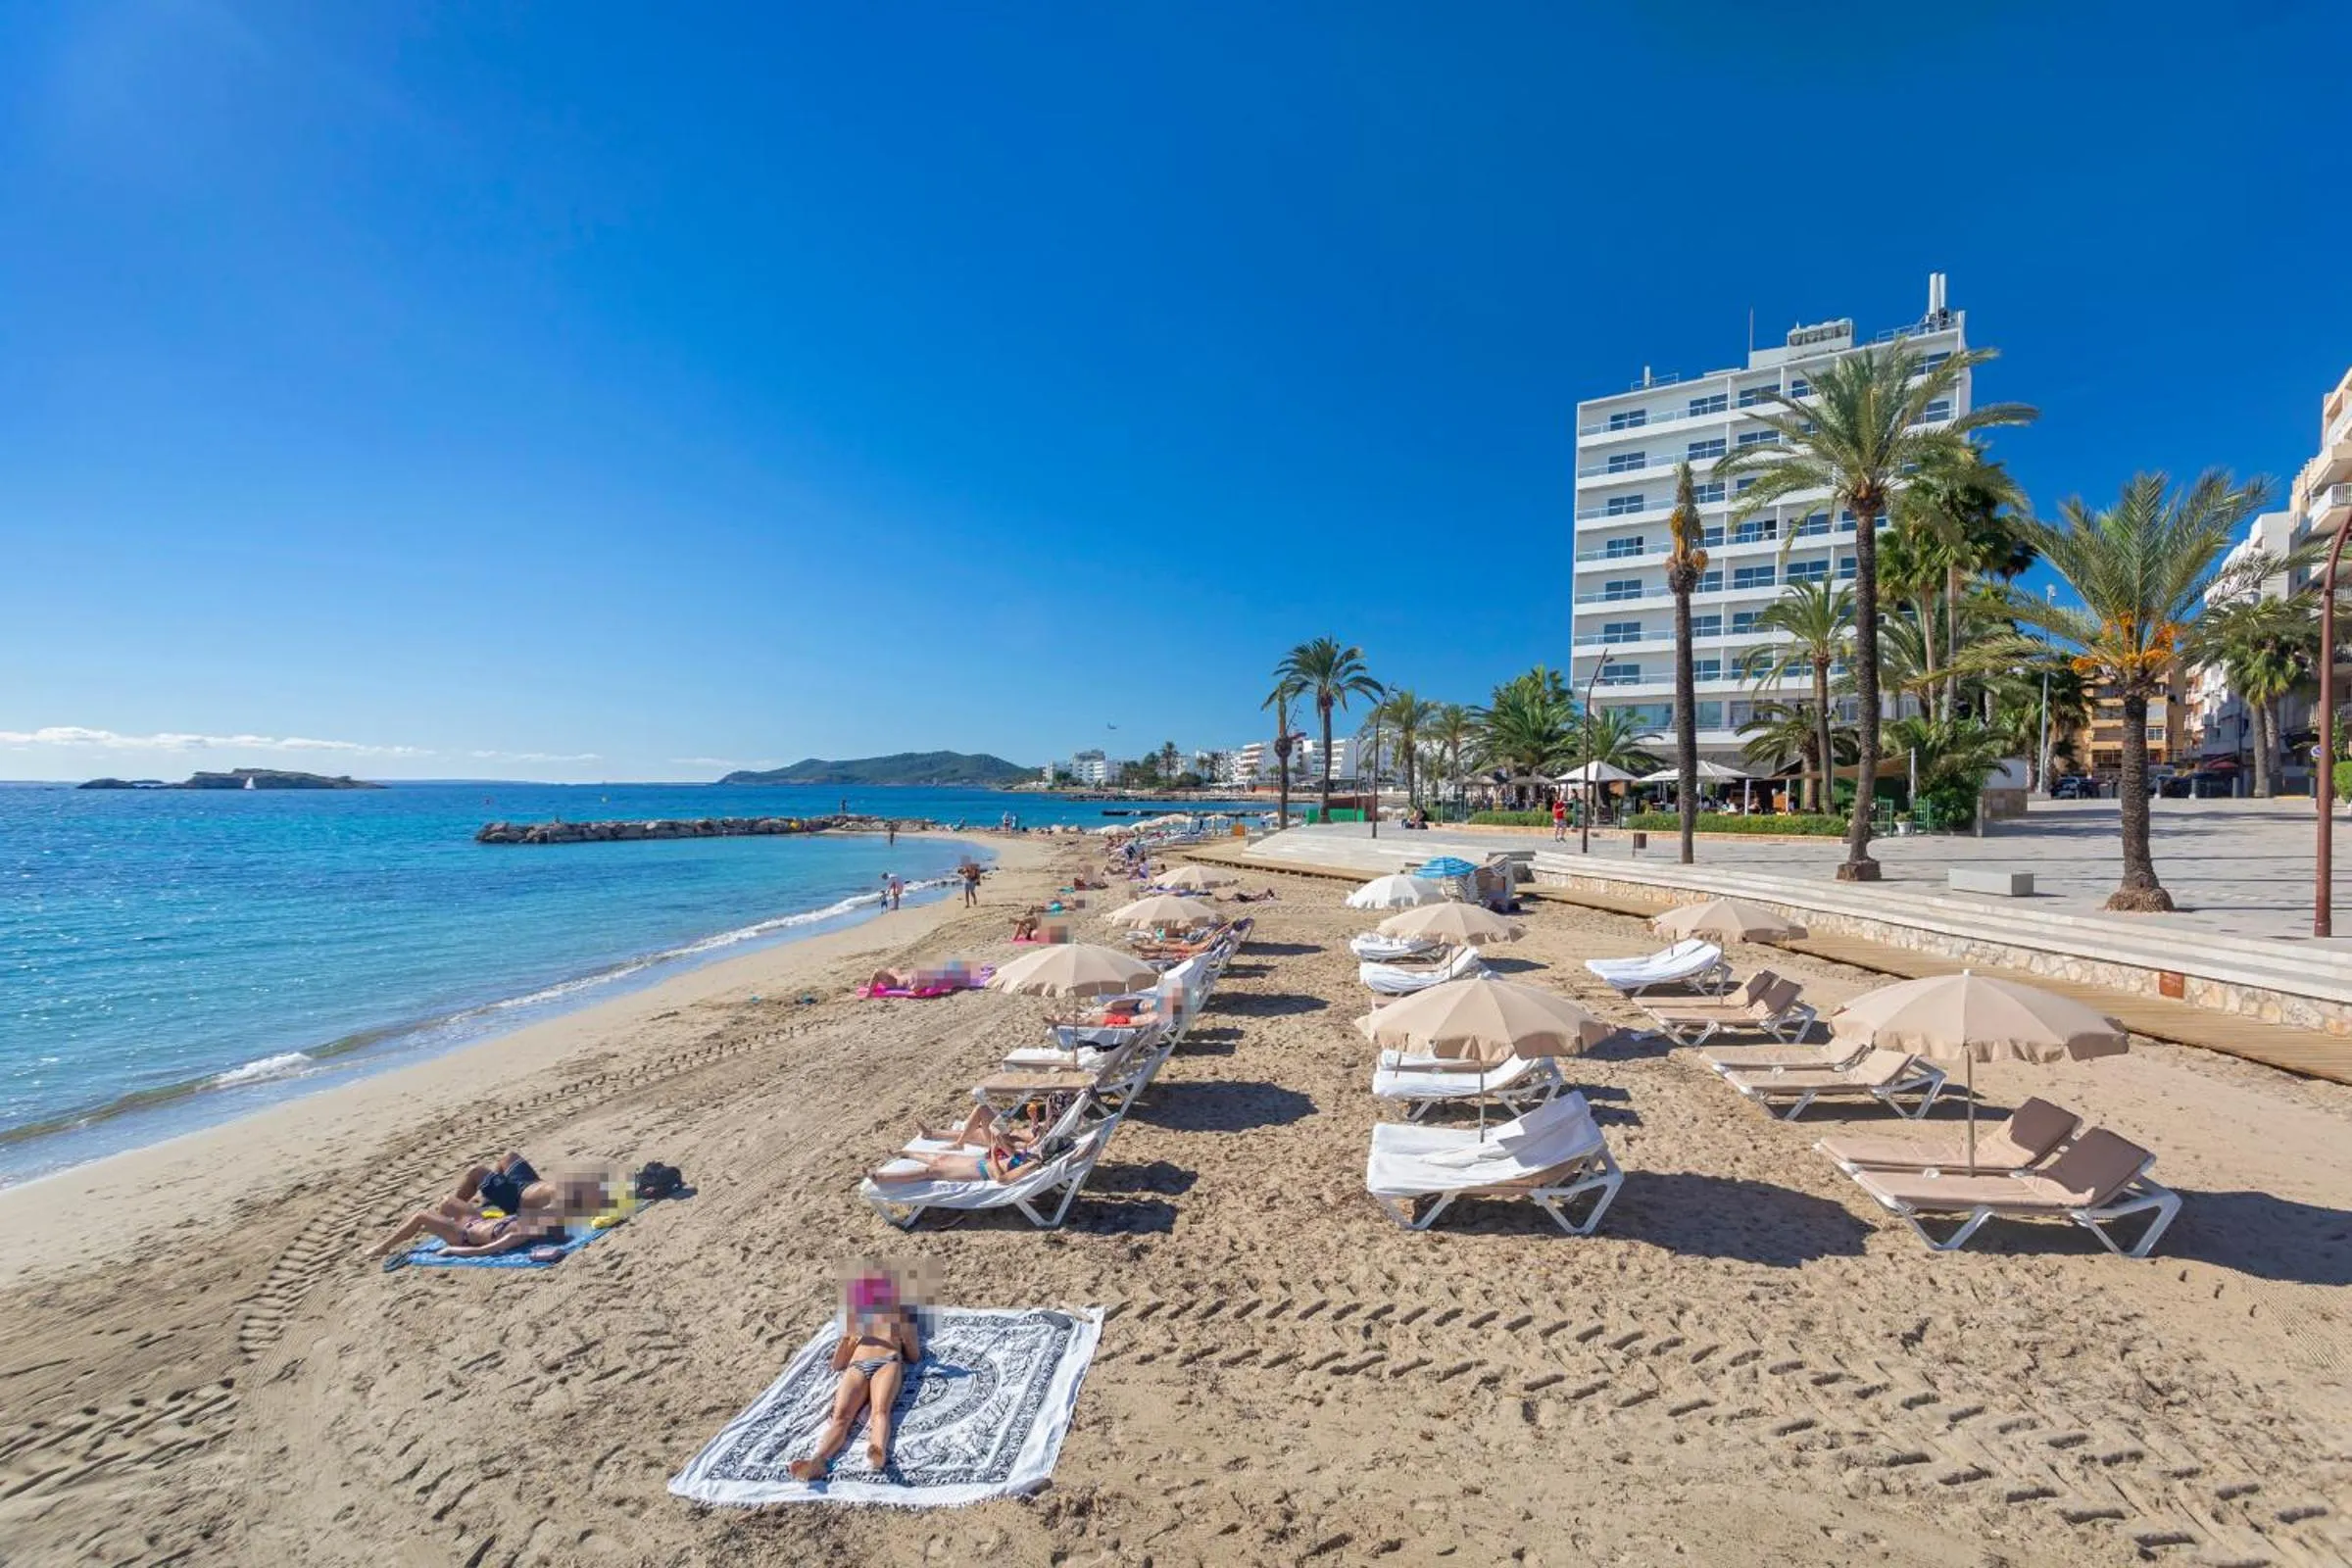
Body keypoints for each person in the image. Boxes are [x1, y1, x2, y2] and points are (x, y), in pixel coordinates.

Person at [787, 1273, 924, 1480]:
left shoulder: (900, 1318)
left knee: (880, 1411)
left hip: (887, 1362)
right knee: (840, 1417)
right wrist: (847, 1337)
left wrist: (904, 1334)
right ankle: (818, 1461)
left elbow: (914, 1357)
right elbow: (838, 1364)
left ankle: (878, 1451)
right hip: (857, 1366)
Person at [368, 1178, 565, 1263]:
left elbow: (484, 1250)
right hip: (477, 1220)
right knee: (447, 1202)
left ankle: (384, 1247)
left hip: (462, 1236)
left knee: (420, 1215)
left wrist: (452, 1250)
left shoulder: (521, 1233)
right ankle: (435, 1225)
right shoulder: (528, 1222)